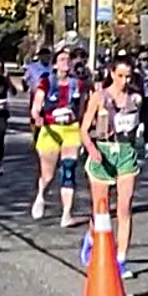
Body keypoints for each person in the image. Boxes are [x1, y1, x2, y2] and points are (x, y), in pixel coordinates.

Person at [76, 56, 144, 278]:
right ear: (111, 73)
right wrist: (91, 149)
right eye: (120, 75)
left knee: (124, 208)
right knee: (102, 210)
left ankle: (121, 259)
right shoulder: (99, 97)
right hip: (102, 153)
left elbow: (136, 127)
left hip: (125, 153)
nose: (124, 80)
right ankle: (91, 238)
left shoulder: (135, 98)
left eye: (128, 76)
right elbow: (84, 129)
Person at [28, 48, 87, 225]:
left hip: (70, 128)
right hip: (50, 129)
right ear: (54, 64)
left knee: (69, 169)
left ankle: (67, 214)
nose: (65, 63)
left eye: (68, 60)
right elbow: (36, 106)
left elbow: (82, 108)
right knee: (48, 174)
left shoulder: (77, 84)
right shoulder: (46, 82)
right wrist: (37, 117)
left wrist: (83, 128)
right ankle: (41, 195)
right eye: (61, 59)